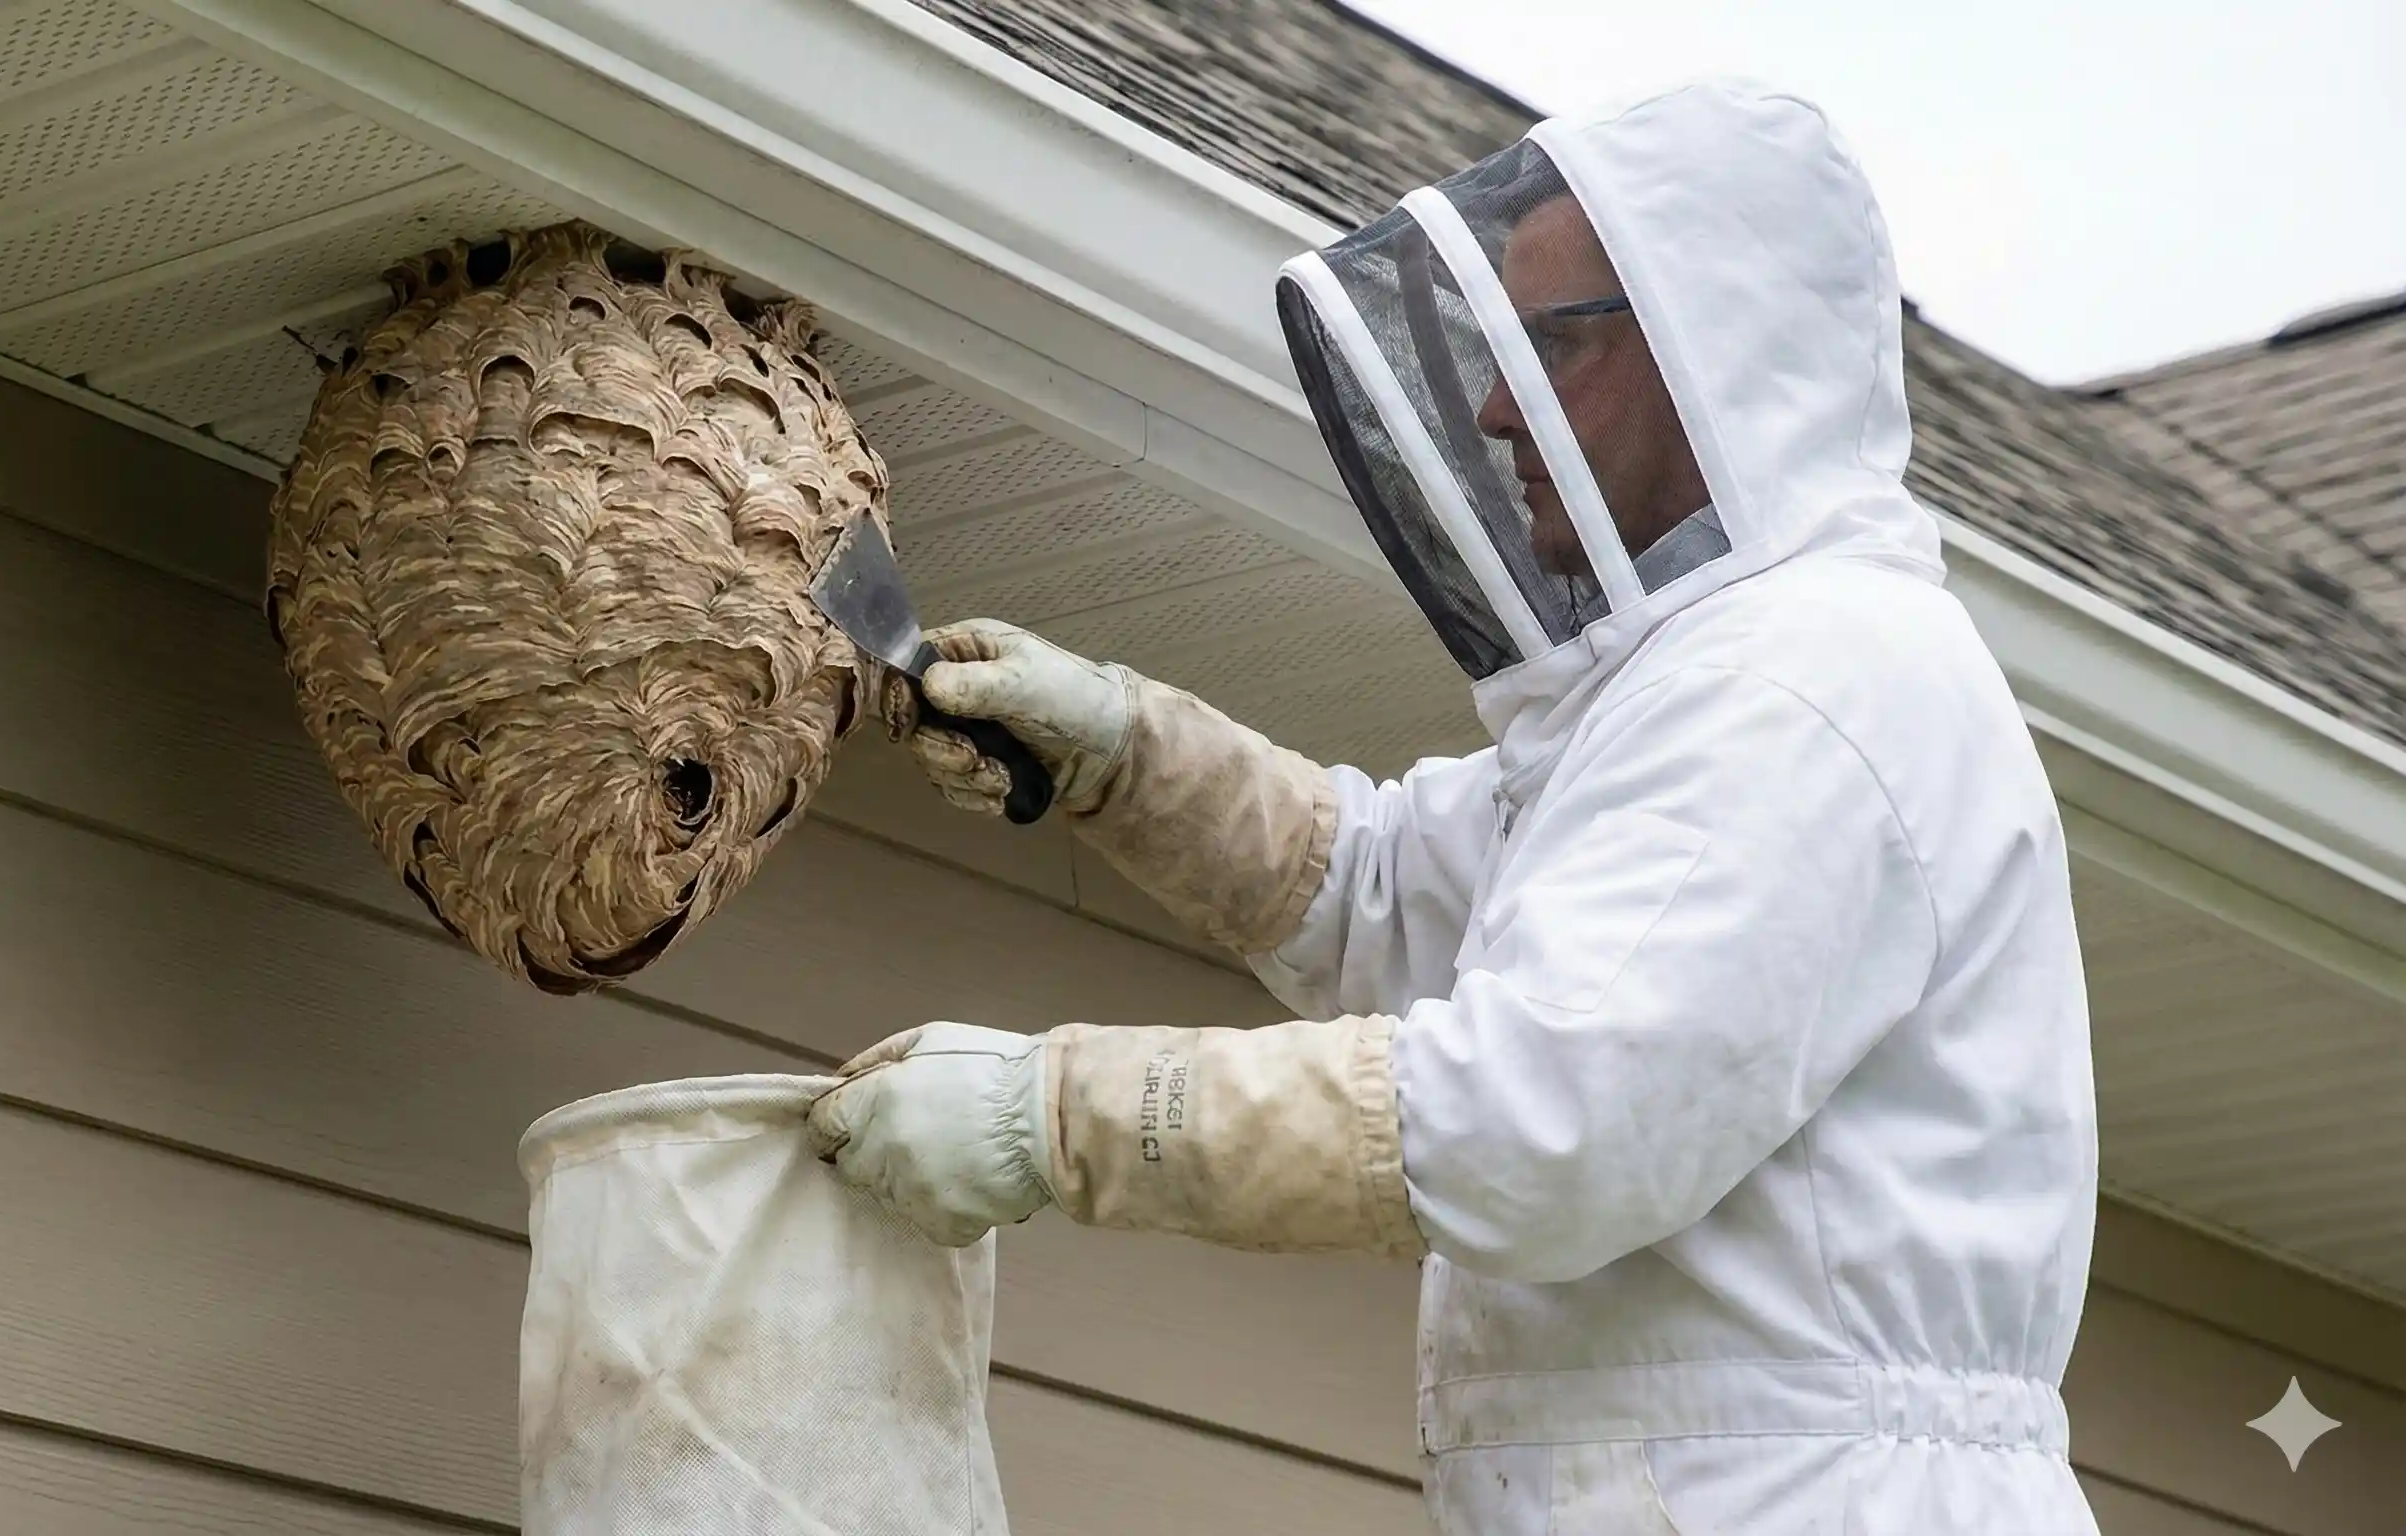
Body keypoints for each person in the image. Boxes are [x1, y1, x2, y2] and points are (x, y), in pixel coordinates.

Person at [806, 80, 2101, 1534]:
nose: (1494, 408)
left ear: (1714, 353)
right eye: (1497, 349)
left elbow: (1542, 1119)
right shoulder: (1692, 687)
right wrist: (1128, 753)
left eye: (1557, 344)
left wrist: (1057, 1116)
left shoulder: (1808, 680)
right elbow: (1381, 890)